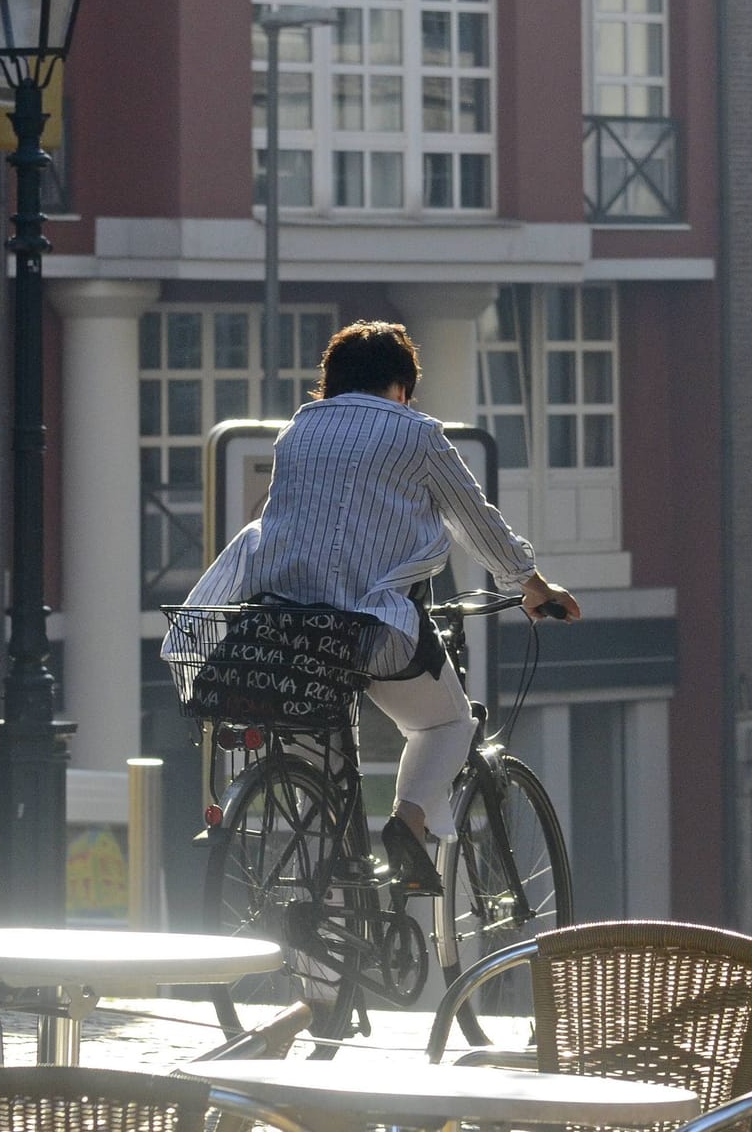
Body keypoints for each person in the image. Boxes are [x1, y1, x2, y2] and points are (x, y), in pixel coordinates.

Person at [169, 320, 580, 893]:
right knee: (447, 721)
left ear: (330, 384)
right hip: (368, 632)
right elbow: (476, 521)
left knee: (316, 803)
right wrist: (532, 585)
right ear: (402, 386)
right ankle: (408, 825)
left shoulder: (297, 433)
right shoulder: (417, 434)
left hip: (285, 636)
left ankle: (314, 977)